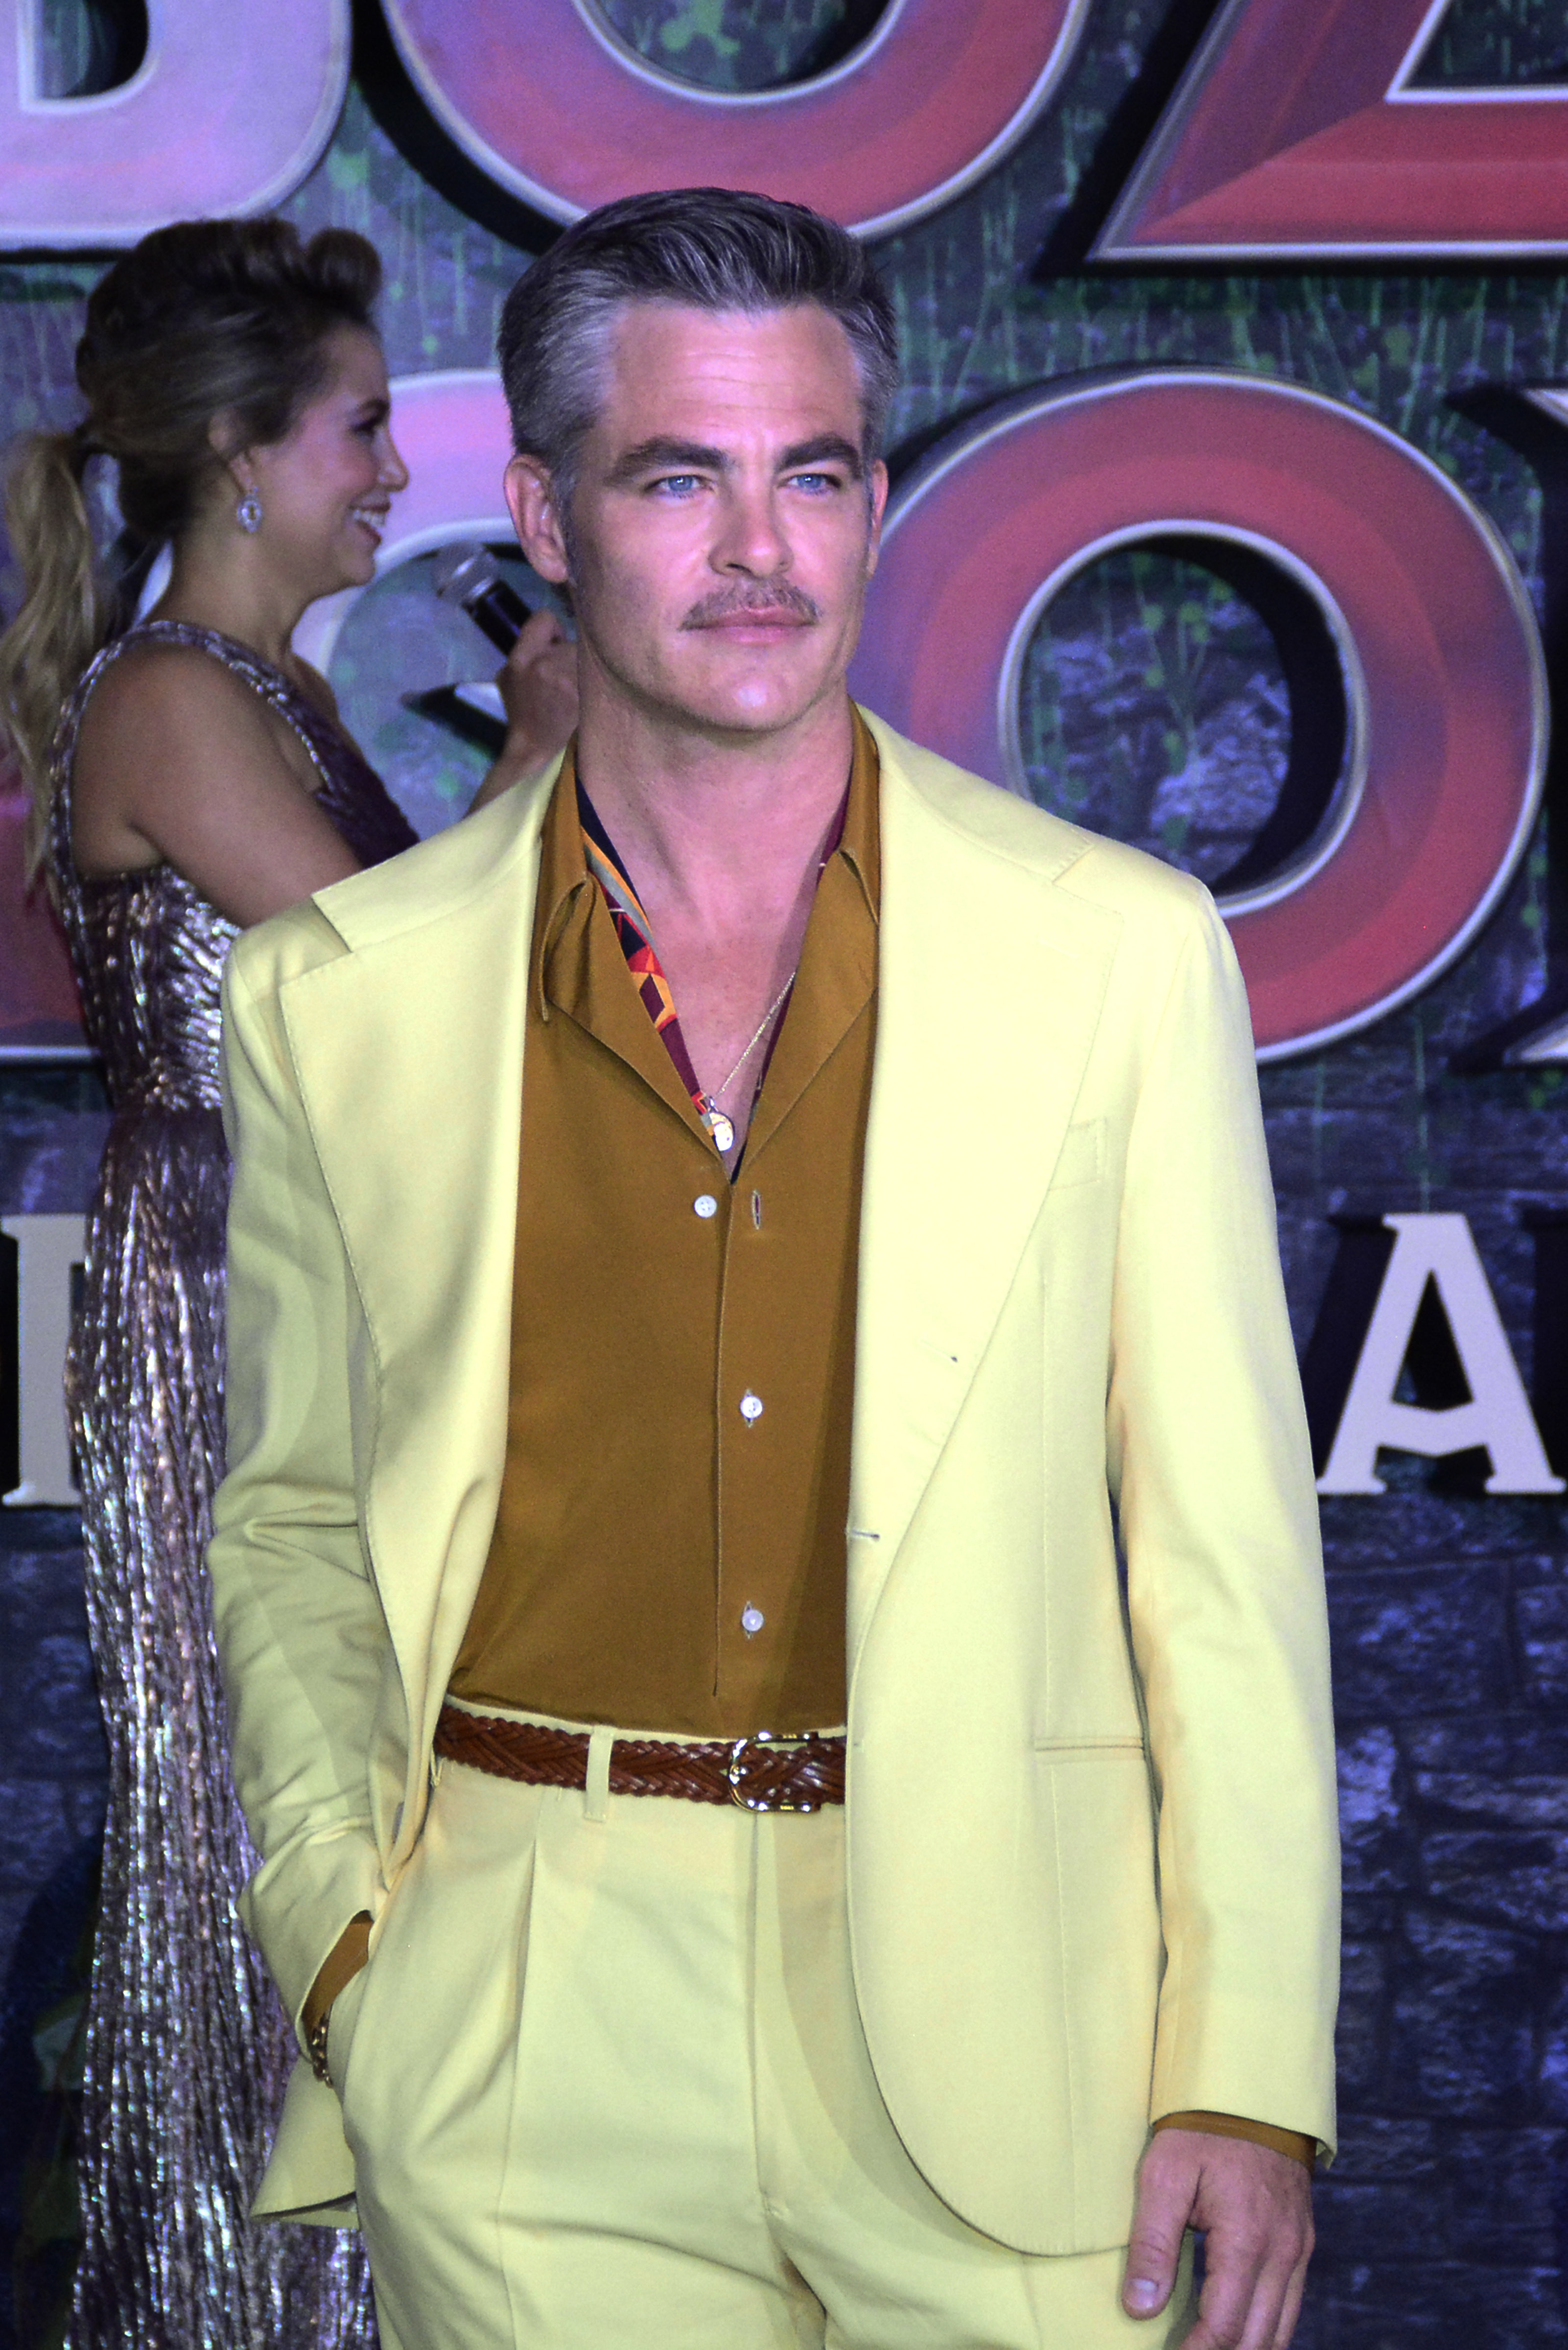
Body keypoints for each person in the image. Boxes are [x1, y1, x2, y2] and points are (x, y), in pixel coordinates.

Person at [208, 189, 1339, 2350]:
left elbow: (1222, 1556)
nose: (759, 550)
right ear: (545, 516)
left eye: (810, 475)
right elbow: (289, 1519)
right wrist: (351, 1946)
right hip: (525, 2013)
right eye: (676, 479)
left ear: (874, 503)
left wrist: (1242, 2064)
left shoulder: (1113, 953)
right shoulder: (339, 992)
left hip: (1017, 2002)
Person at [0, 214, 575, 2350]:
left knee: (362, 1807)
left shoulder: (276, 692)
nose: (396, 473)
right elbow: (389, 993)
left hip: (335, 1287)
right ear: (243, 456)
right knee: (266, 1809)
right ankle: (243, 2309)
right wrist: (531, 755)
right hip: (230, 1311)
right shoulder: (169, 696)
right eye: (360, 428)